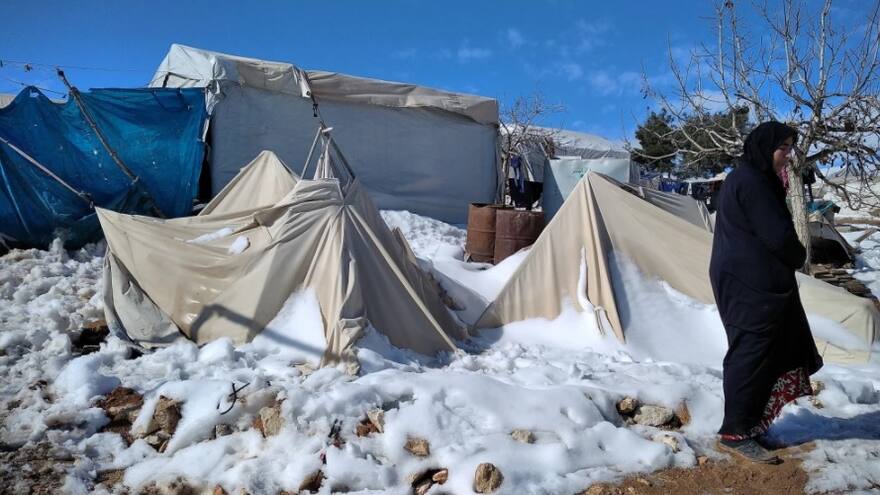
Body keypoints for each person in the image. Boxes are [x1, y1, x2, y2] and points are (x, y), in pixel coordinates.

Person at [709, 121, 823, 464]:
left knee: (764, 351)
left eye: (790, 149)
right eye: (782, 149)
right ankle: (734, 433)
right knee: (751, 352)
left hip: (753, 281)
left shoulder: (749, 178)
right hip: (749, 284)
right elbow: (777, 236)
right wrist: (799, 255)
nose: (787, 157)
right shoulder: (753, 182)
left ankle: (751, 424)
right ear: (763, 147)